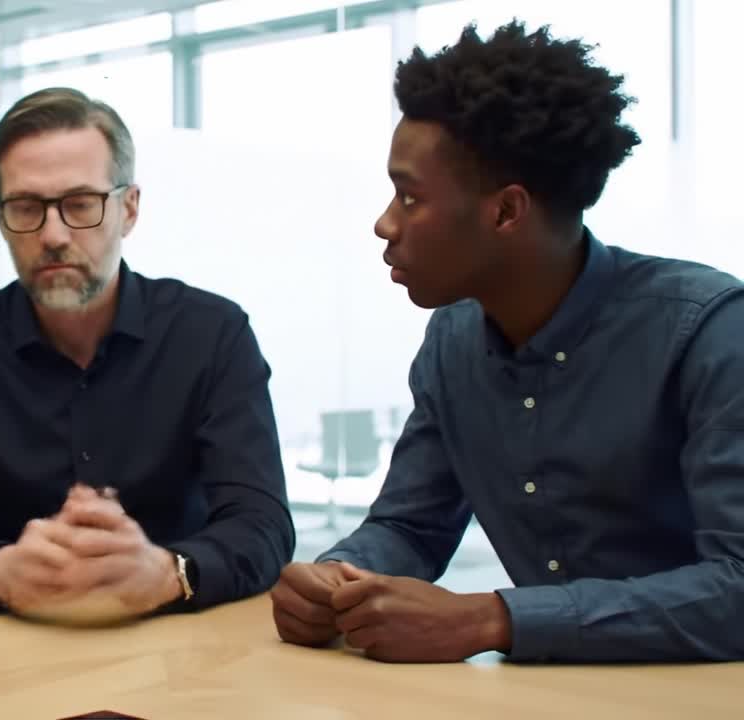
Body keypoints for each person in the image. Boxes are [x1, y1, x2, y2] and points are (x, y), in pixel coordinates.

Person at [270, 20, 744, 663]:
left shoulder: (709, 331)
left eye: (410, 197)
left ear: (506, 211)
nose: (385, 223)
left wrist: (495, 620)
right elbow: (411, 526)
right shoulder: (452, 341)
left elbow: (737, 588)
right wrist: (340, 577)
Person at [0, 87, 294, 621]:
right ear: (1, 216)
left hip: (182, 647)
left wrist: (169, 572)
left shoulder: (212, 333)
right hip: (7, 647)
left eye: (79, 205)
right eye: (26, 207)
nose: (52, 234)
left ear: (129, 208)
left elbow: (262, 523)